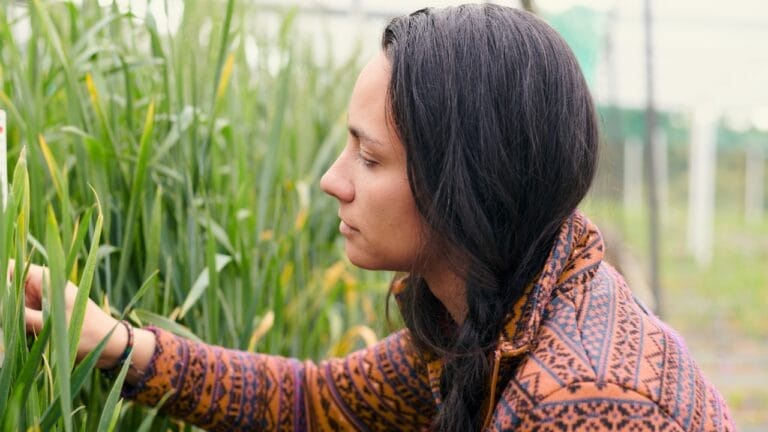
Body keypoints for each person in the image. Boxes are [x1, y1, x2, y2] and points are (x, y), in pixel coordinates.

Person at [15, 4, 734, 431]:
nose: (332, 181)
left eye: (369, 158)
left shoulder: (580, 401)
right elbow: (316, 402)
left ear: (464, 181)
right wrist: (117, 345)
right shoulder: (486, 312)